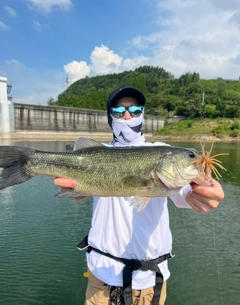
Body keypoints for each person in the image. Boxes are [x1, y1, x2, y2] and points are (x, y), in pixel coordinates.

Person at [54, 84, 224, 305]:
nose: (127, 115)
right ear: (110, 117)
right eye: (118, 110)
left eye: (135, 110)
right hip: (102, 277)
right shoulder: (97, 153)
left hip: (151, 282)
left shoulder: (164, 151)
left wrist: (203, 193)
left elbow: (186, 191)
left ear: (142, 114)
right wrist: (78, 188)